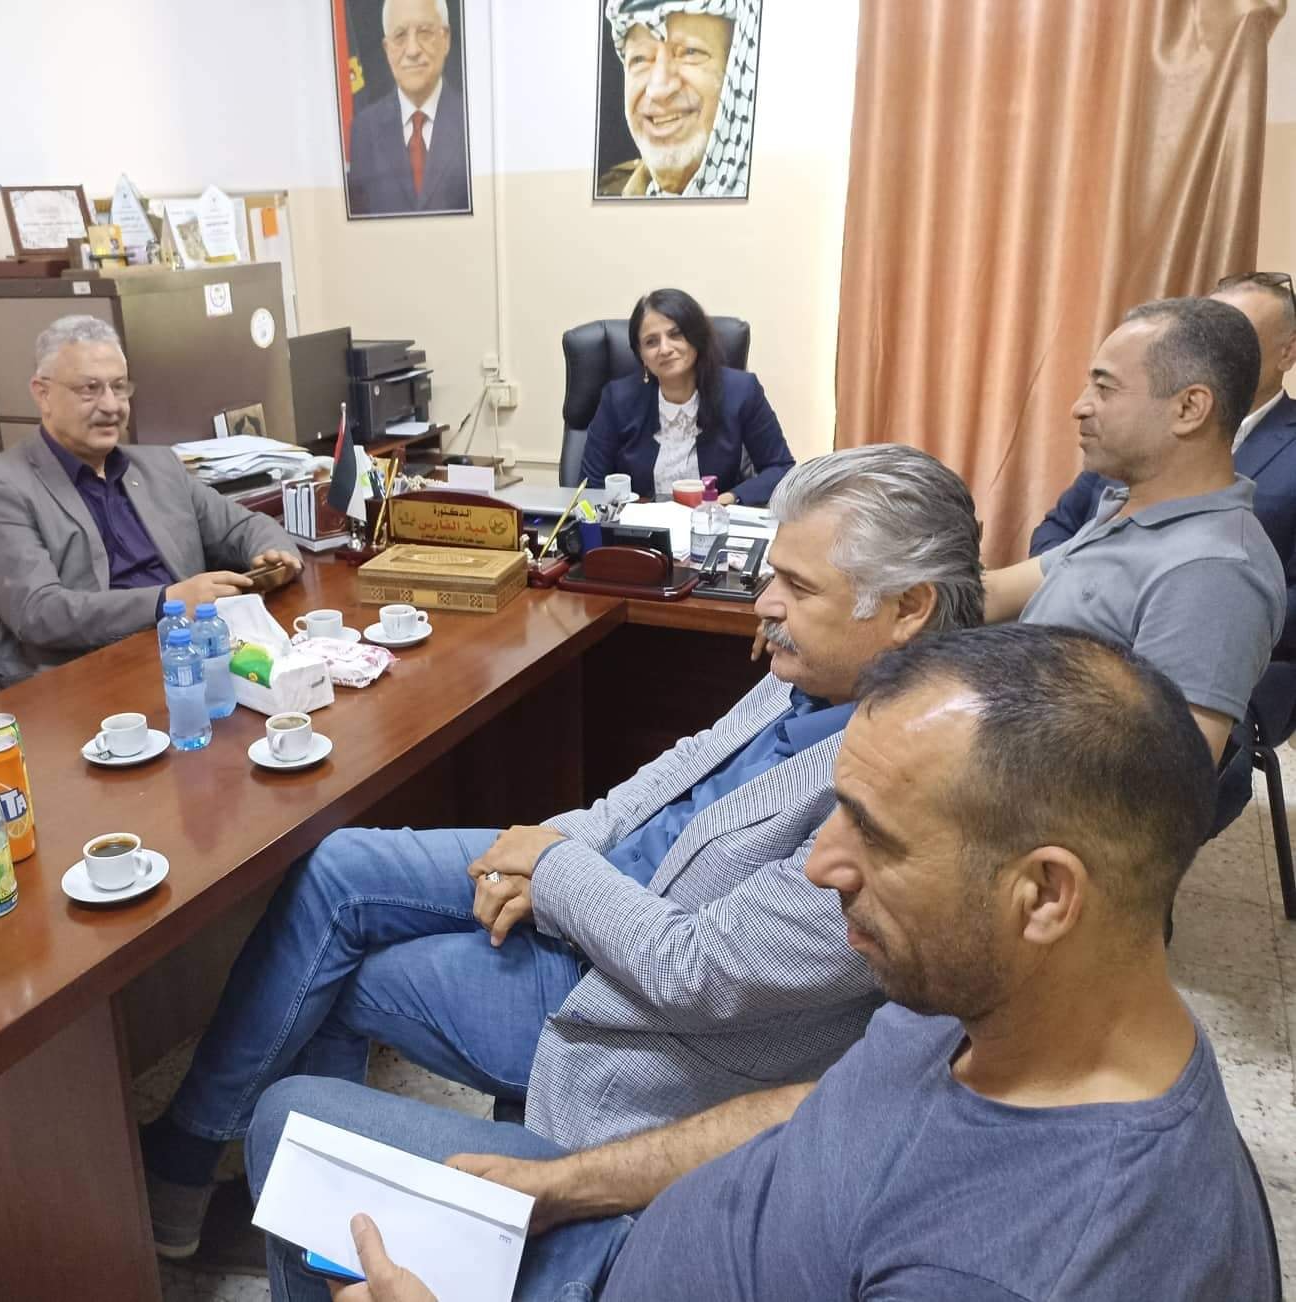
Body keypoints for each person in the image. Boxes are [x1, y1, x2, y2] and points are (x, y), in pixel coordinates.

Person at [248, 626, 1278, 1302]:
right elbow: (811, 1109)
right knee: (293, 1123)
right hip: (623, 1236)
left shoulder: (1028, 1260)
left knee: (303, 1160)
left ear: (1045, 894)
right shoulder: (1008, 1002)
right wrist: (565, 1184)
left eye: (874, 836)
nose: (821, 865)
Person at [140, 444, 984, 1262]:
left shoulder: (901, 797)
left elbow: (696, 970)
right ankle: (198, 1160)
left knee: (345, 979)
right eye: (773, 575)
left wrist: (551, 874)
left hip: (628, 999)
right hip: (590, 885)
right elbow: (682, 767)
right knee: (339, 867)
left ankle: (333, 1208)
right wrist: (560, 843)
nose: (765, 603)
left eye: (797, 586)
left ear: (907, 609)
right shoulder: (821, 671)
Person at [985, 296, 1285, 766]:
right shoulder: (1129, 511)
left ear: (1189, 408)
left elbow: (1167, 774)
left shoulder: (1214, 572)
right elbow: (997, 592)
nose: (1079, 407)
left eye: (1105, 389)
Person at [0, 315, 300, 692]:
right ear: (43, 394)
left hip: (184, 658)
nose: (111, 406)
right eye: (89, 389)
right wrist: (166, 602)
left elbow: (243, 526)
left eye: (119, 388)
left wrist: (273, 554)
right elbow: (38, 612)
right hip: (72, 684)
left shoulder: (159, 465)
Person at [1030, 272, 1296, 651]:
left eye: (1236, 333)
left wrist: (1145, 607)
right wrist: (1076, 593)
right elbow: (1061, 529)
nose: (1210, 347)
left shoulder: (1222, 561)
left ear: (1288, 351)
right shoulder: (1129, 452)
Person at [578, 288, 793, 503]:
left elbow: (781, 468)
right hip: (639, 522)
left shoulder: (741, 390)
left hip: (715, 518)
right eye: (651, 342)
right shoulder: (617, 400)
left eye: (675, 335)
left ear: (696, 338)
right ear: (641, 355)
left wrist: (730, 498)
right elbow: (590, 485)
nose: (665, 349)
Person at [596, 0, 761, 198]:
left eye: (690, 52)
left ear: (738, 74)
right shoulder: (608, 192)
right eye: (640, 59)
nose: (659, 89)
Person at [345, 0, 470, 217]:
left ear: (446, 39)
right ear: (387, 49)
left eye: (424, 32)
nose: (412, 50)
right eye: (400, 35)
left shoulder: (474, 121)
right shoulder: (363, 131)